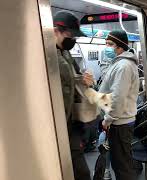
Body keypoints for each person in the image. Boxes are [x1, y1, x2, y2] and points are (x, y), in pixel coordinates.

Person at [54, 11, 94, 180]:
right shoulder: (44, 55)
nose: (73, 39)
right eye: (70, 34)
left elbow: (72, 82)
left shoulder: (66, 54)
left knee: (81, 172)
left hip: (71, 124)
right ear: (56, 31)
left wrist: (84, 81)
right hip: (56, 124)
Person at [99, 30, 139, 180]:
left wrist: (108, 119)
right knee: (120, 163)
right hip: (118, 121)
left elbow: (118, 97)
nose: (107, 48)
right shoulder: (119, 64)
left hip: (119, 123)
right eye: (106, 44)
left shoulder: (123, 66)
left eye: (110, 44)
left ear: (120, 47)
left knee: (122, 166)